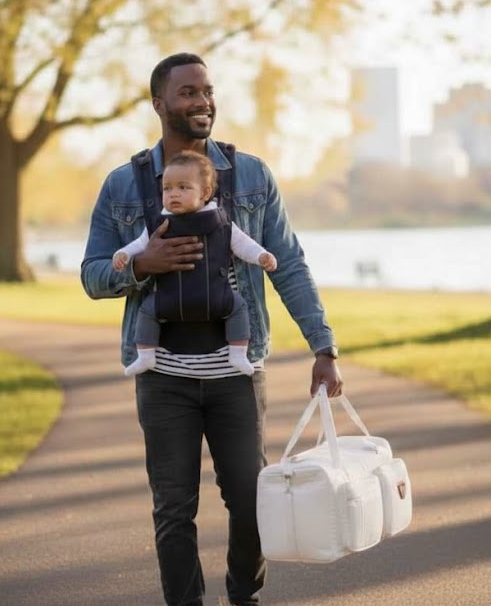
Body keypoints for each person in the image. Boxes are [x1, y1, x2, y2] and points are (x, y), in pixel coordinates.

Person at [81, 52, 342, 606]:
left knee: (252, 502)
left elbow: (287, 263)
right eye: (188, 93)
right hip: (163, 377)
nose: (202, 102)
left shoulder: (250, 176)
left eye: (207, 91)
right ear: (159, 104)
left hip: (236, 372)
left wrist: (323, 345)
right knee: (173, 509)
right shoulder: (123, 186)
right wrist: (140, 265)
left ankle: (243, 596)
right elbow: (92, 275)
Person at [113, 151, 278, 378]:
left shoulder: (221, 222)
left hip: (216, 297)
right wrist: (124, 254)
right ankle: (145, 355)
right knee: (146, 311)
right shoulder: (159, 223)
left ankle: (238, 352)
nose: (174, 194)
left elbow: (242, 244)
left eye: (183, 187)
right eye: (167, 188)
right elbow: (141, 244)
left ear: (206, 193)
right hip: (169, 299)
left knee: (239, 307)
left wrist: (261, 256)